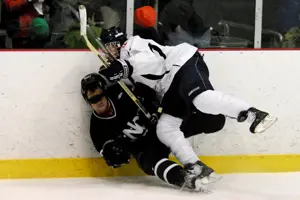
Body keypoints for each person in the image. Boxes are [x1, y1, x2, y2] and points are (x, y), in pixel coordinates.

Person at [96, 26, 278, 182]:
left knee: (201, 99)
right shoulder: (126, 58)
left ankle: (252, 114)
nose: (107, 52)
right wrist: (115, 73)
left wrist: (121, 68)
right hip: (170, 84)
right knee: (165, 128)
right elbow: (139, 78)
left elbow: (149, 62)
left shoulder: (133, 46)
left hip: (183, 63)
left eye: (109, 48)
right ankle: (196, 166)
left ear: (117, 44)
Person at [80, 73, 226, 193]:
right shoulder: (97, 128)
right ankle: (184, 178)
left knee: (215, 120)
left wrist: (157, 109)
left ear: (106, 93)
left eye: (100, 96)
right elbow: (107, 151)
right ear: (88, 101)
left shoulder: (122, 92)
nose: (98, 102)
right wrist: (115, 155)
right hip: (147, 147)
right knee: (147, 163)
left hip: (163, 128)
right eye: (93, 99)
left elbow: (150, 93)